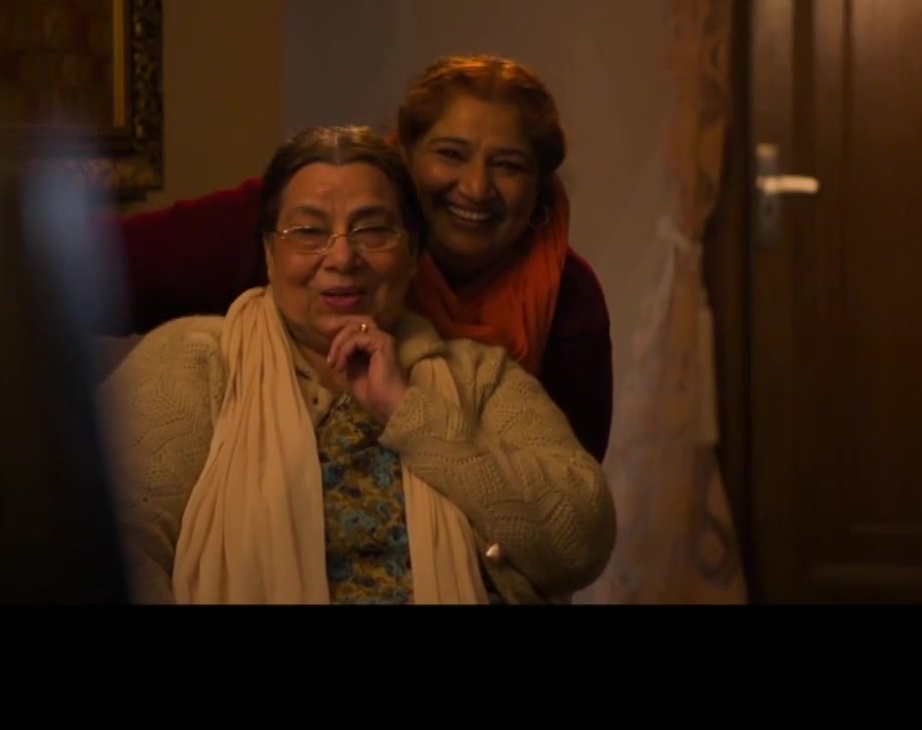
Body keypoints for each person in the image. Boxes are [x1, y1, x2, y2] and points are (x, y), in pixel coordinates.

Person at [98, 125, 616, 605]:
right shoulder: (194, 362)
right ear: (269, 253)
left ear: (413, 254)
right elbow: (101, 544)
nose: (343, 258)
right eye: (308, 231)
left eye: (373, 230)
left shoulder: (479, 377)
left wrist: (408, 411)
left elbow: (582, 540)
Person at [113, 55, 614, 461]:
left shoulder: (568, 298)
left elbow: (567, 503)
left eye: (508, 165)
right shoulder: (292, 217)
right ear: (404, 155)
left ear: (539, 185)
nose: (476, 188)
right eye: (450, 154)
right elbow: (98, 271)